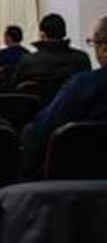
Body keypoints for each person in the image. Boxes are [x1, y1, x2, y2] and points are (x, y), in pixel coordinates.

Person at [22, 17, 107, 177]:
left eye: (93, 43)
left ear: (104, 49)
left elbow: (42, 130)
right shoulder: (81, 59)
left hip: (78, 179)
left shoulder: (83, 85)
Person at [12, 14, 91, 102]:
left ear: (42, 34)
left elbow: (14, 89)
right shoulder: (82, 58)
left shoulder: (28, 61)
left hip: (36, 112)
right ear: (64, 33)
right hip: (75, 113)